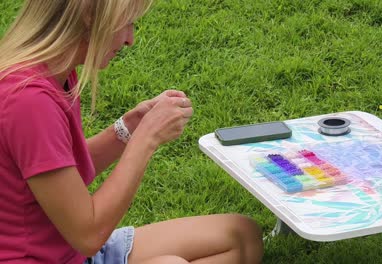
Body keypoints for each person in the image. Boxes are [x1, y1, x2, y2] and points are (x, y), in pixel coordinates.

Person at [0, 1, 264, 263]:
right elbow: (88, 235)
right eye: (127, 23)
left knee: (242, 237)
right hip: (59, 251)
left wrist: (126, 130)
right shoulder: (29, 102)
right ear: (90, 17)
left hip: (69, 250)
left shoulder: (53, 72)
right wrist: (146, 138)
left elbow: (61, 171)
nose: (130, 39)